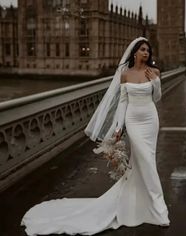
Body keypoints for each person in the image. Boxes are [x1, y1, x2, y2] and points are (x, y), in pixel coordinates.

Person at [21, 37, 170, 235]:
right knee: (146, 162)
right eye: (142, 49)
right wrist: (118, 127)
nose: (146, 53)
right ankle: (160, 211)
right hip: (133, 122)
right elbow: (123, 103)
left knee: (145, 161)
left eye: (148, 50)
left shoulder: (154, 72)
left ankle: (140, 203)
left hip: (151, 121)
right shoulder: (125, 75)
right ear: (134, 52)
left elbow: (157, 97)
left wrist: (156, 82)